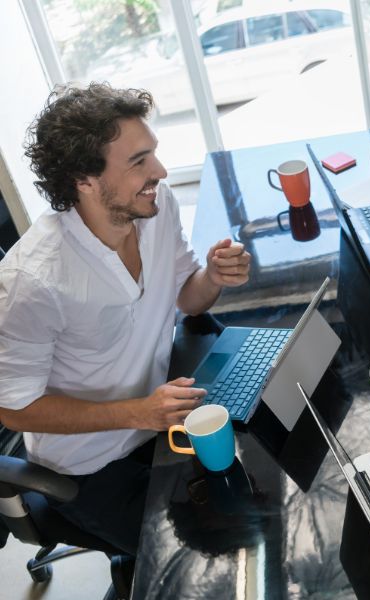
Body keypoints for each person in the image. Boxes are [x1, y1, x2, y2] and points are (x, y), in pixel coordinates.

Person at [0, 83, 251, 556]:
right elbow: (13, 409)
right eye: (138, 162)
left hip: (161, 419)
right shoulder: (33, 281)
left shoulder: (156, 208)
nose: (159, 171)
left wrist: (213, 276)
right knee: (190, 564)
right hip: (91, 467)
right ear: (84, 179)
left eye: (152, 154)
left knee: (256, 497)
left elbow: (188, 298)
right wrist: (137, 412)